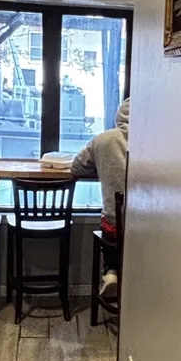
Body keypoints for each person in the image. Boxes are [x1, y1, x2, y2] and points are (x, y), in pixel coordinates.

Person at [70, 97, 128, 301]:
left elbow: (77, 167)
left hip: (115, 227)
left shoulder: (104, 139)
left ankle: (111, 271)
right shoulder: (162, 142)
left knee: (111, 221)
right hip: (151, 228)